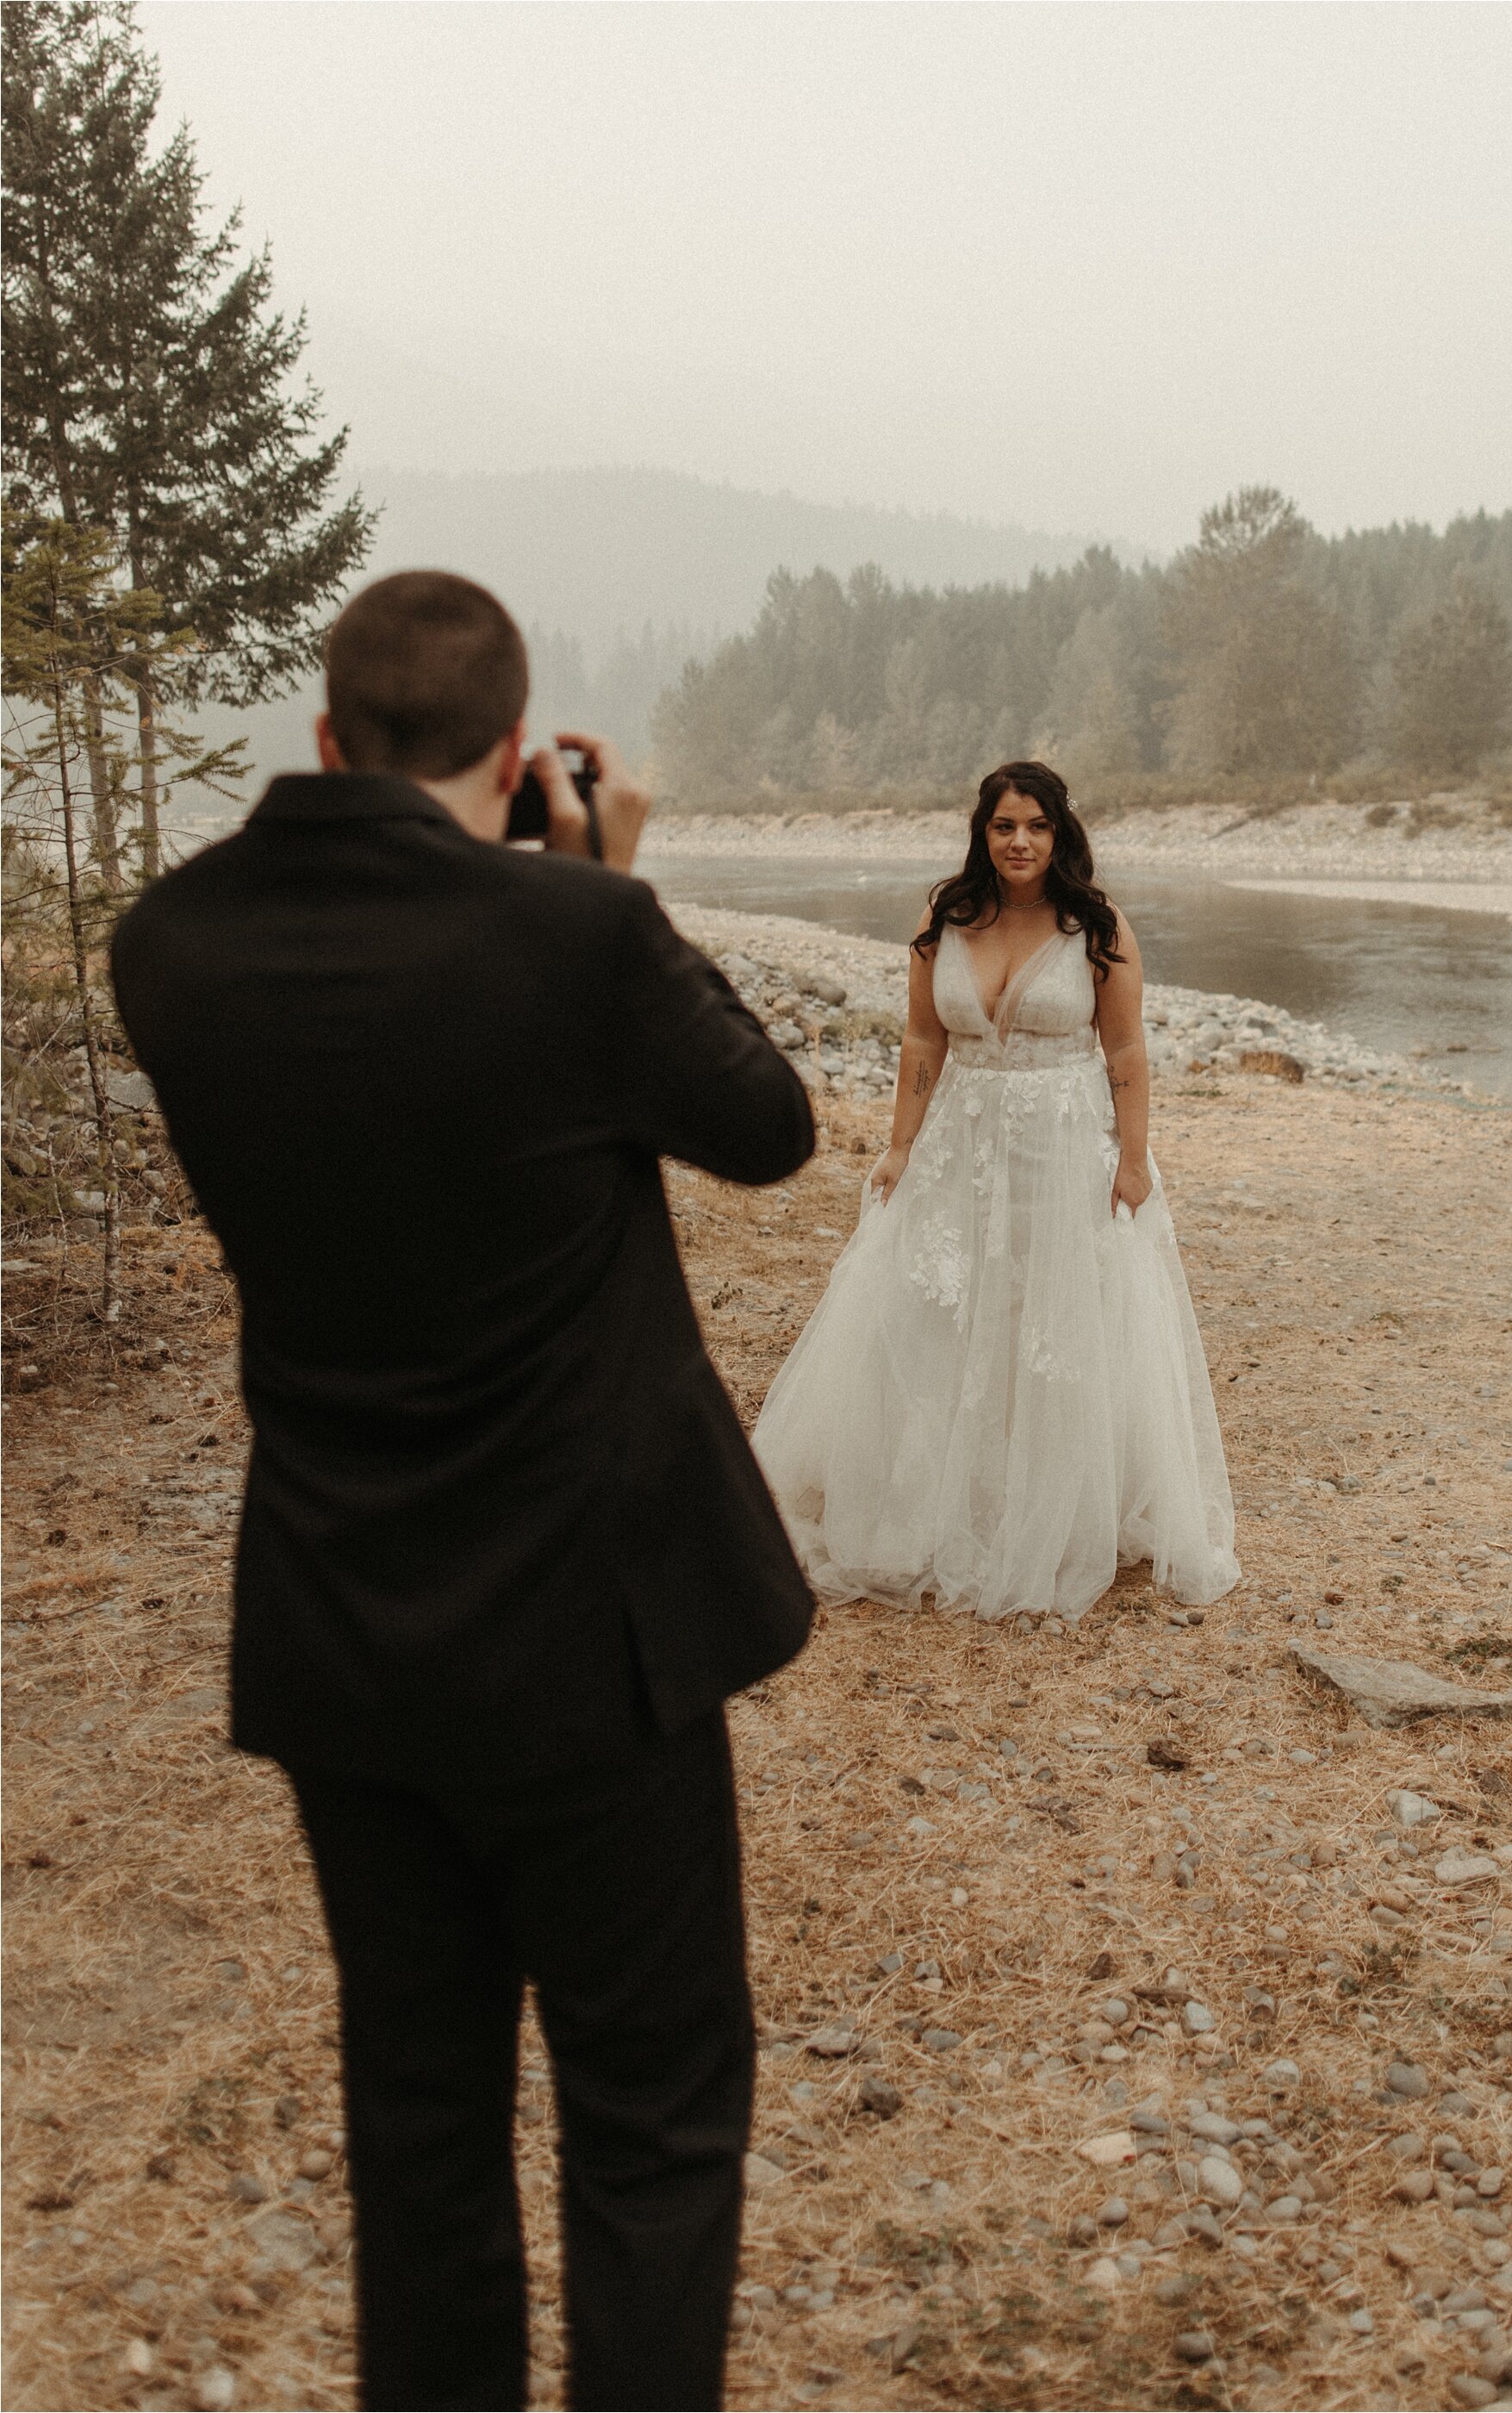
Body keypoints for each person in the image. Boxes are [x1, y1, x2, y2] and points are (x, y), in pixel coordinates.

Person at [110, 571, 817, 2413]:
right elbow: (765, 1128)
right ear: (516, 752)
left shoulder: (168, 945)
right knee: (651, 2118)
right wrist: (597, 883)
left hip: (348, 1630)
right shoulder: (570, 939)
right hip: (601, 1637)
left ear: (327, 739)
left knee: (418, 2123)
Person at [753, 759, 1239, 1621]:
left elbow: (1125, 1054)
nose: (1021, 841)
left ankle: (1050, 1507)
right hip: (959, 1146)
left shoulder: (1098, 926)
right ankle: (941, 1500)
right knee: (943, 1314)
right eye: (1006, 825)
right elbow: (919, 1043)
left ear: (1060, 835)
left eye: (1038, 826)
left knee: (1052, 1320)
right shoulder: (946, 920)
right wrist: (900, 1147)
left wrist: (1133, 1161)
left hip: (1064, 1147)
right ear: (983, 832)